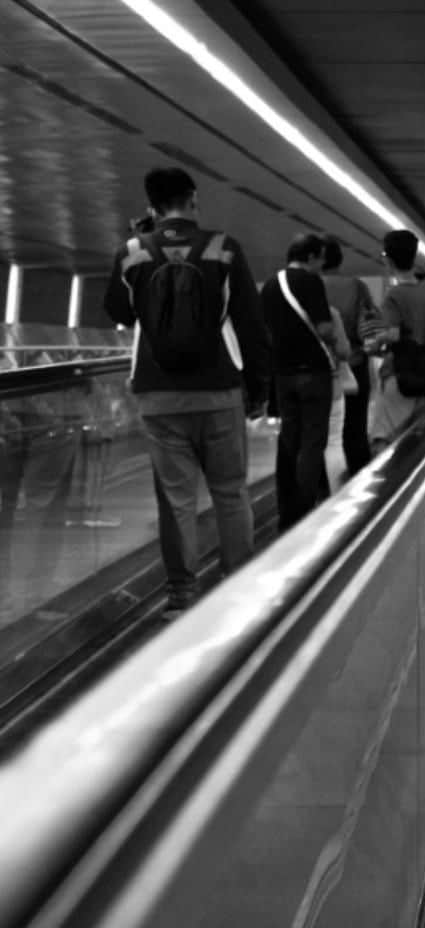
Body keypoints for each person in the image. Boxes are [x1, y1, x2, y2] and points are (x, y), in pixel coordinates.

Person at [104, 167, 269, 617]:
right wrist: (258, 389)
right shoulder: (223, 248)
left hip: (158, 395)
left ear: (151, 206)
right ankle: (238, 591)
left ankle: (182, 597)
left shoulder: (134, 252)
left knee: (176, 500)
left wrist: (136, 242)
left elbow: (117, 310)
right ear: (193, 199)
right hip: (220, 391)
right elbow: (251, 323)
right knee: (230, 493)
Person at [260, 234, 337, 532]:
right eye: (321, 259)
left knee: (289, 439)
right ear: (311, 256)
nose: (322, 266)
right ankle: (303, 516)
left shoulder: (268, 285)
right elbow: (325, 328)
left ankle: (286, 511)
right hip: (313, 373)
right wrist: (334, 336)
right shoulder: (310, 282)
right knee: (312, 441)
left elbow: (263, 331)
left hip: (283, 374)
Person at [369, 230, 425, 450]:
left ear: (388, 260)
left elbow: (393, 335)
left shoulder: (394, 295)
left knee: (382, 441)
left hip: (400, 375)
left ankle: (385, 485)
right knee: (418, 442)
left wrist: (374, 344)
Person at [321, 235, 378, 476]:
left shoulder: (307, 286)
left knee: (324, 435)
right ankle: (359, 488)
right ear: (340, 259)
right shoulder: (357, 286)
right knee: (355, 431)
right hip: (354, 368)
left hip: (320, 371)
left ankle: (322, 493)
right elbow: (372, 327)